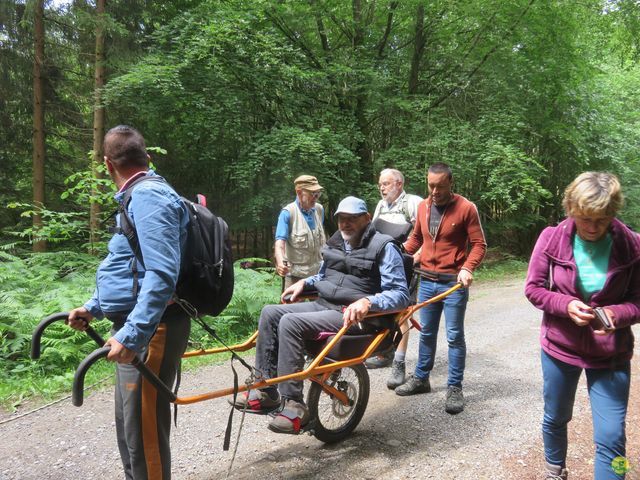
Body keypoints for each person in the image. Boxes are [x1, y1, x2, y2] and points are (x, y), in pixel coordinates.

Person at [67, 125, 190, 480]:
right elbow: (127, 265)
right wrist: (94, 307)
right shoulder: (135, 197)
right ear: (146, 157)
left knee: (145, 436)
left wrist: (133, 334)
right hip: (138, 327)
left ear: (107, 165)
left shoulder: (148, 197)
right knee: (131, 431)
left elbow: (163, 274)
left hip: (154, 329)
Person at [233, 196, 410, 434]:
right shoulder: (337, 242)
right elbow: (324, 276)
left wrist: (368, 301)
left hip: (354, 315)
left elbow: (400, 294)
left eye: (352, 219)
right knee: (270, 313)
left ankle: (295, 404)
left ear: (367, 219)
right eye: (341, 219)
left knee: (290, 322)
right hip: (324, 304)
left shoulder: (384, 247)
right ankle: (266, 390)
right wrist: (305, 283)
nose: (345, 224)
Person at [525, 172, 640, 480]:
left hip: (611, 355)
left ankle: (619, 474)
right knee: (555, 417)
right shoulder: (551, 237)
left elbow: (638, 301)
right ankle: (554, 471)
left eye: (601, 220)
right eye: (584, 218)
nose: (591, 227)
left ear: (613, 214)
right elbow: (534, 289)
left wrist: (617, 314)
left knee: (613, 437)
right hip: (559, 348)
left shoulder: (633, 246)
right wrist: (565, 305)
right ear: (572, 209)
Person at [395, 162, 486, 416]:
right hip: (427, 281)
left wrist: (467, 268)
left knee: (454, 336)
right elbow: (416, 239)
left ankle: (455, 387)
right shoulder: (423, 207)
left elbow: (479, 244)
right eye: (430, 185)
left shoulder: (466, 208)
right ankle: (422, 378)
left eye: (440, 186)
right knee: (426, 334)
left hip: (452, 284)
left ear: (450, 183)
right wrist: (397, 253)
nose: (434, 191)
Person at [366, 168, 422, 391]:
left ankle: (399, 363)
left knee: (402, 313)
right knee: (383, 309)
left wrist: (416, 258)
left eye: (386, 183)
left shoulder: (413, 203)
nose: (382, 187)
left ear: (399, 184)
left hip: (407, 266)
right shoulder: (381, 206)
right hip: (383, 266)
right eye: (380, 184)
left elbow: (427, 233)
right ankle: (385, 352)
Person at [274, 175, 326, 289]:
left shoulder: (319, 210)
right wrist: (280, 262)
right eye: (312, 194)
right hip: (295, 277)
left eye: (318, 193)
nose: (316, 197)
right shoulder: (288, 213)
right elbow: (279, 244)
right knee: (290, 306)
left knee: (320, 307)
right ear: (299, 192)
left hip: (317, 276)